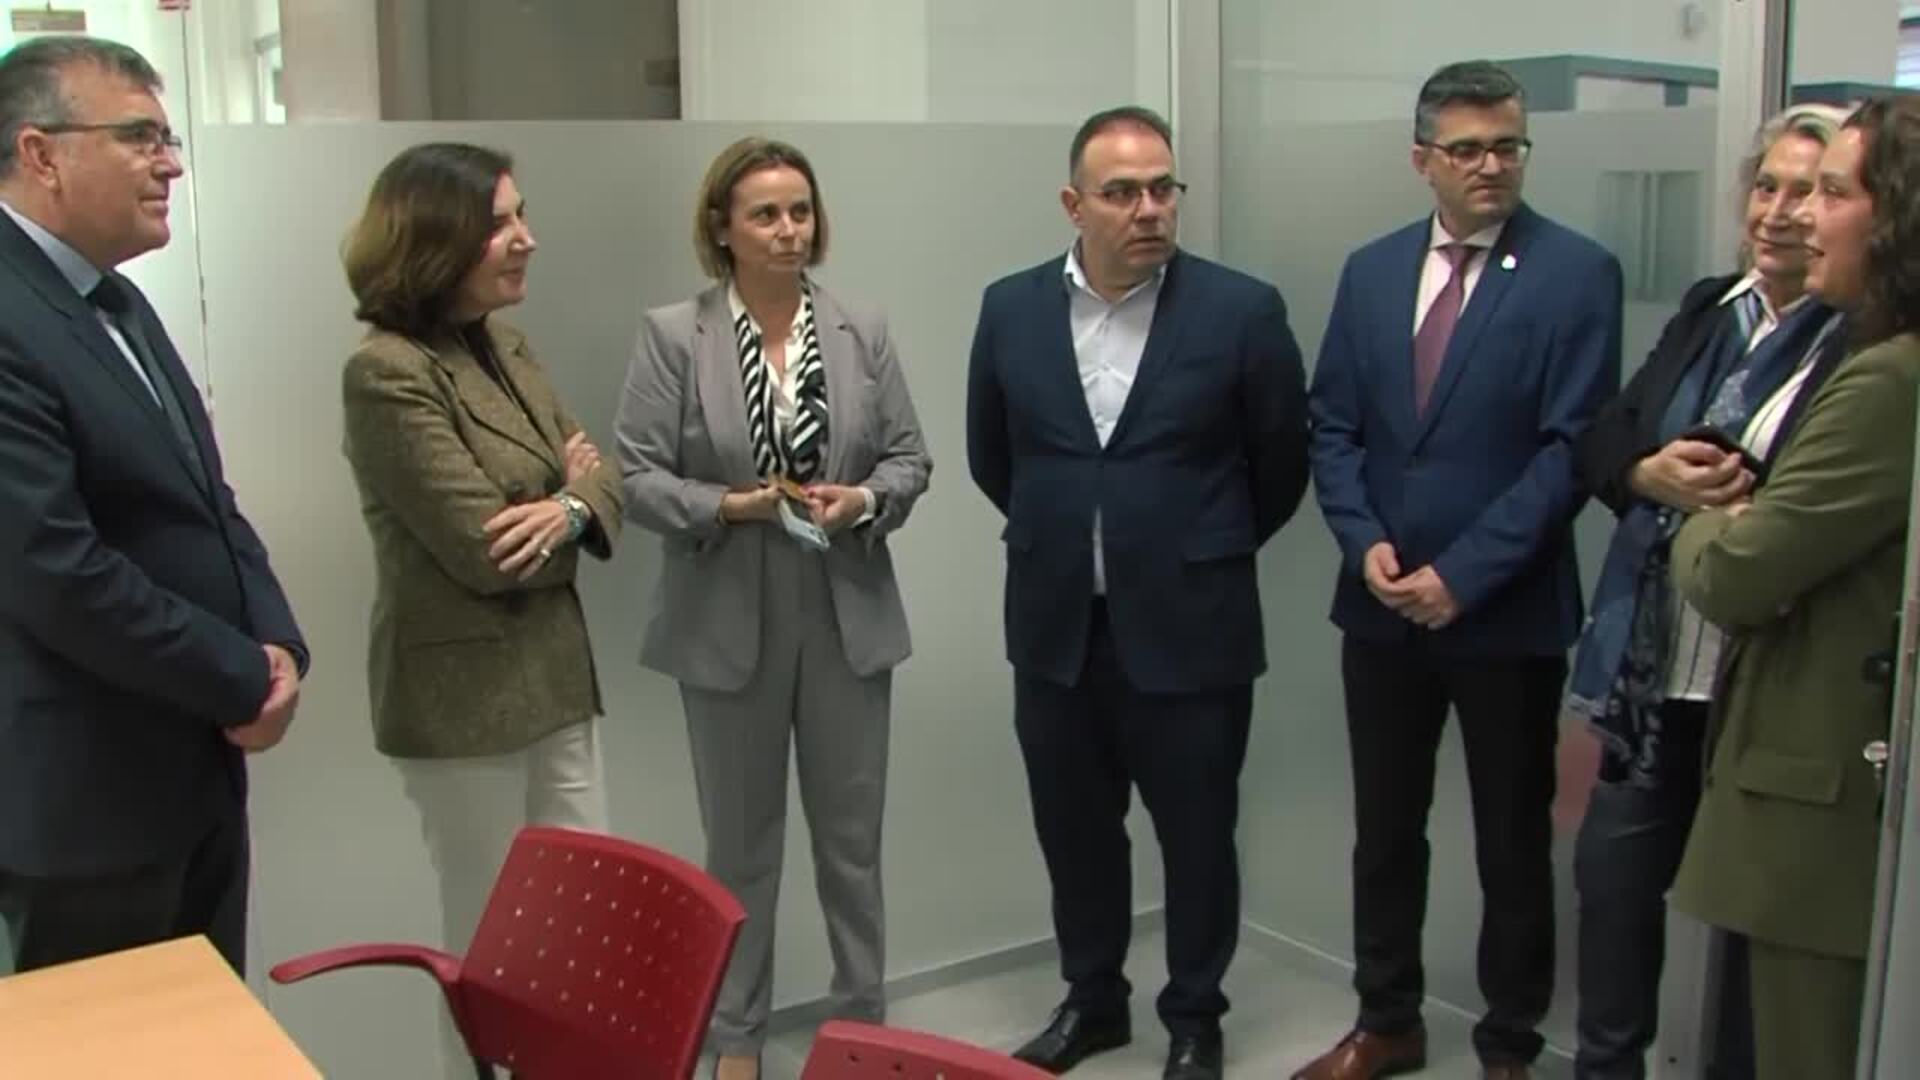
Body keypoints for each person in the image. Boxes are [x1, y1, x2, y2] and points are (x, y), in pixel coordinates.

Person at [967, 105, 1310, 1080]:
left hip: (1193, 627)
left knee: (1198, 837)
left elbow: (1280, 464)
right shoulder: (1011, 308)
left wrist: (1191, 546)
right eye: (1122, 192)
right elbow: (994, 456)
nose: (1149, 209)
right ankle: (1094, 1002)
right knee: (1075, 832)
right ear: (1074, 204)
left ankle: (1195, 1017)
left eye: (1163, 188)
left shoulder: (1242, 311)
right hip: (1057, 627)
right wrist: (1074, 534)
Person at [1298, 61, 1621, 1080]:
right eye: (1469, 149)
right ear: (1422, 159)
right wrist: (1363, 540)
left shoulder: (1576, 273)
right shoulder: (1371, 272)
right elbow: (1333, 424)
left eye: (1508, 147)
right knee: (1385, 833)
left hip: (1504, 614)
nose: (1492, 166)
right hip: (1382, 606)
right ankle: (1386, 1019)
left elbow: (1572, 450)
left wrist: (1464, 575)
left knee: (1512, 842)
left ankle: (1509, 1043)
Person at [614, 137, 931, 1080]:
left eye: (801, 210)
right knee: (740, 850)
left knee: (851, 847)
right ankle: (737, 1039)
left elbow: (909, 458)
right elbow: (637, 477)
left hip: (845, 609)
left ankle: (863, 1028)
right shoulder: (677, 334)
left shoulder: (860, 327)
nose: (789, 230)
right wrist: (731, 506)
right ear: (724, 228)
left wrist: (862, 500)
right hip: (726, 616)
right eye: (766, 214)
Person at [0, 35, 306, 974]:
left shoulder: (118, 303)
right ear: (41, 154)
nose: (170, 163)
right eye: (140, 137)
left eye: (168, 138)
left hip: (192, 780)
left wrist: (278, 645)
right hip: (88, 807)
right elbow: (55, 569)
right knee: (108, 1043)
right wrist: (237, 675)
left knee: (211, 1037)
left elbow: (207, 503)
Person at [1564, 103, 1848, 1080]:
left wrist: (1735, 504)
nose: (1779, 211)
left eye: (1809, 192)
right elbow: (1607, 437)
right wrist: (1647, 473)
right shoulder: (1709, 306)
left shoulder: (1861, 341)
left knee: (1748, 931)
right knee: (1611, 893)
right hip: (1649, 676)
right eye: (1766, 187)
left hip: (1762, 684)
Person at [339, 142, 623, 1078]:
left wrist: (571, 505)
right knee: (490, 944)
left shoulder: (506, 345)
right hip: (463, 702)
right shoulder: (387, 372)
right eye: (500, 223)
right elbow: (486, 549)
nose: (526, 238)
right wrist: (573, 497)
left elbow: (604, 476)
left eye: (521, 215)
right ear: (436, 239)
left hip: (556, 678)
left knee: (579, 920)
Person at [1667, 96, 1920, 1080]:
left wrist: (1702, 515)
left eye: (1833, 193)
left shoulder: (1887, 380)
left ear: (1897, 220)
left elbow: (1737, 576)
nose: (1803, 216)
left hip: (1825, 807)